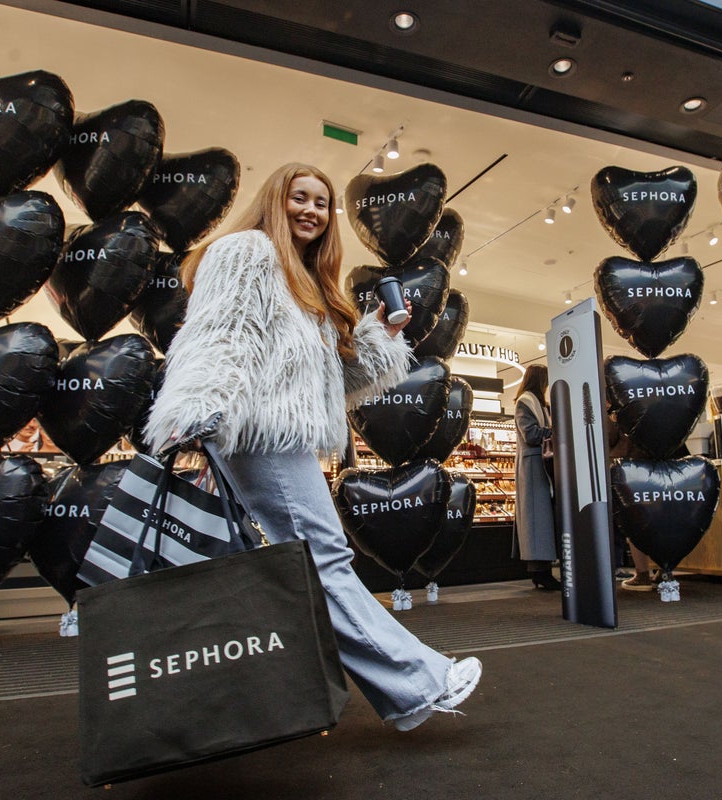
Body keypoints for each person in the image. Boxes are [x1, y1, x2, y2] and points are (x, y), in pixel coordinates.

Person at [145, 163, 481, 731]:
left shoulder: (299, 277)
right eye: (299, 198)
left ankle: (407, 690)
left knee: (309, 562)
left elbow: (322, 382)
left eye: (321, 203)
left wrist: (379, 340)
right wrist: (199, 408)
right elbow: (221, 334)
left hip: (278, 432)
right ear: (275, 200)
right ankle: (419, 684)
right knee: (322, 558)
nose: (311, 210)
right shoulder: (247, 252)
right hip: (260, 433)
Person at [512, 364, 561, 590]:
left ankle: (542, 570)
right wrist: (556, 431)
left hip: (540, 466)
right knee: (537, 519)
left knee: (540, 521)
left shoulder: (536, 403)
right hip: (533, 467)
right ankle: (541, 571)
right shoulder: (527, 402)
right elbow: (530, 434)